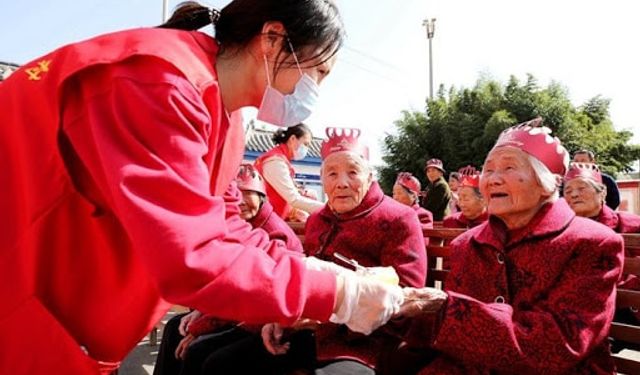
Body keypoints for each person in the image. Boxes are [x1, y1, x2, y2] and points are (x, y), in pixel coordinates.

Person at [0, 2, 405, 373]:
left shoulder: (221, 117)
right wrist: (337, 294)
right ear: (272, 39)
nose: (318, 88)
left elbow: (227, 225)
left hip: (58, 305)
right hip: (23, 289)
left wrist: (313, 271)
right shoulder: (160, 82)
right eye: (319, 72)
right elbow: (191, 255)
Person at [195, 128, 427, 374]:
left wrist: (329, 314)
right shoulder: (318, 219)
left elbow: (405, 301)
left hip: (363, 344)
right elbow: (303, 279)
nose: (342, 183)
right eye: (332, 173)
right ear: (323, 181)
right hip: (306, 333)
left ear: (369, 177)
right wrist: (283, 317)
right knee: (216, 361)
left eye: (353, 172)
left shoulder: (399, 219)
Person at [401, 118, 624, 374]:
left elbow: (558, 345)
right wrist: (394, 308)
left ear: (545, 184)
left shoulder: (592, 243)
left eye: (508, 167)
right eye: (489, 169)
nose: (493, 179)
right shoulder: (466, 244)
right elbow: (447, 340)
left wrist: (445, 309)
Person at [154, 163, 304, 375]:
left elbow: (254, 294)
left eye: (248, 193)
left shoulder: (275, 234)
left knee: (199, 351)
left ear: (262, 196)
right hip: (237, 310)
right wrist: (203, 312)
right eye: (236, 193)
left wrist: (204, 325)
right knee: (174, 328)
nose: (241, 201)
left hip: (259, 319)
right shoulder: (244, 225)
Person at [255, 123, 325, 221]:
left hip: (274, 218)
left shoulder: (280, 160)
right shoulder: (275, 162)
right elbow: (293, 199)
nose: (306, 149)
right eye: (305, 144)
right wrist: (329, 209)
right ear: (292, 139)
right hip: (267, 221)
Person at [564, 162, 640, 233]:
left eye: (581, 188)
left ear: (602, 193)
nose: (574, 194)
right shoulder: (559, 228)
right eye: (568, 191)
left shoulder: (630, 224)